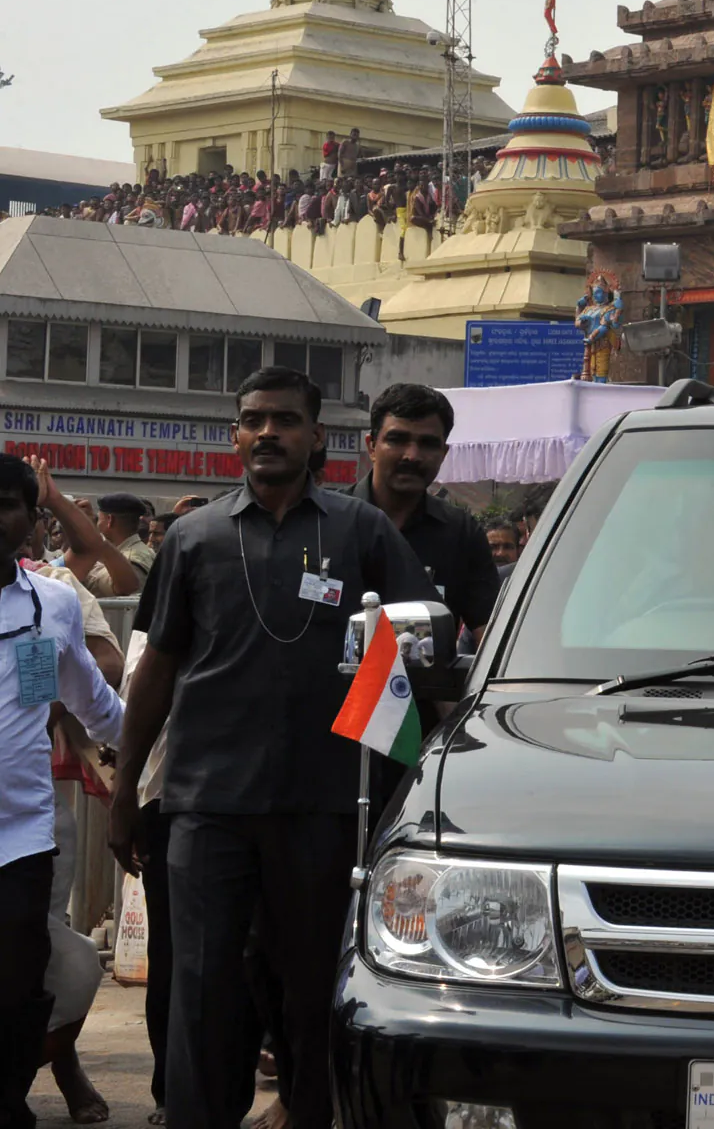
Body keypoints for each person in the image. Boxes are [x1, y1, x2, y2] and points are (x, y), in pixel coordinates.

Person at [107, 368, 435, 1129]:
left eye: (285, 420)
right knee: (201, 987)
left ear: (317, 437)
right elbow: (156, 668)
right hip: (205, 804)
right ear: (234, 435)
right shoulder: (194, 535)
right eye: (252, 420)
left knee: (313, 988)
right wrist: (126, 792)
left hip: (322, 808)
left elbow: (419, 657)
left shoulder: (360, 532)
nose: (267, 433)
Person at [0, 454, 125, 1129]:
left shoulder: (50, 603)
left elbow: (91, 696)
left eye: (6, 505)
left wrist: (147, 749)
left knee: (22, 980)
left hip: (19, 834)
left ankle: (8, 1097)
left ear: (31, 521)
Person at [351, 384, 501, 636]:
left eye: (427, 444)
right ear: (371, 446)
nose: (412, 455)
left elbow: (488, 636)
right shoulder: (327, 521)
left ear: (444, 454)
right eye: (397, 440)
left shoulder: (461, 534)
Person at [96, 492, 158, 583]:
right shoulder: (146, 551)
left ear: (110, 520)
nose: (97, 524)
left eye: (99, 519)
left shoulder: (128, 561)